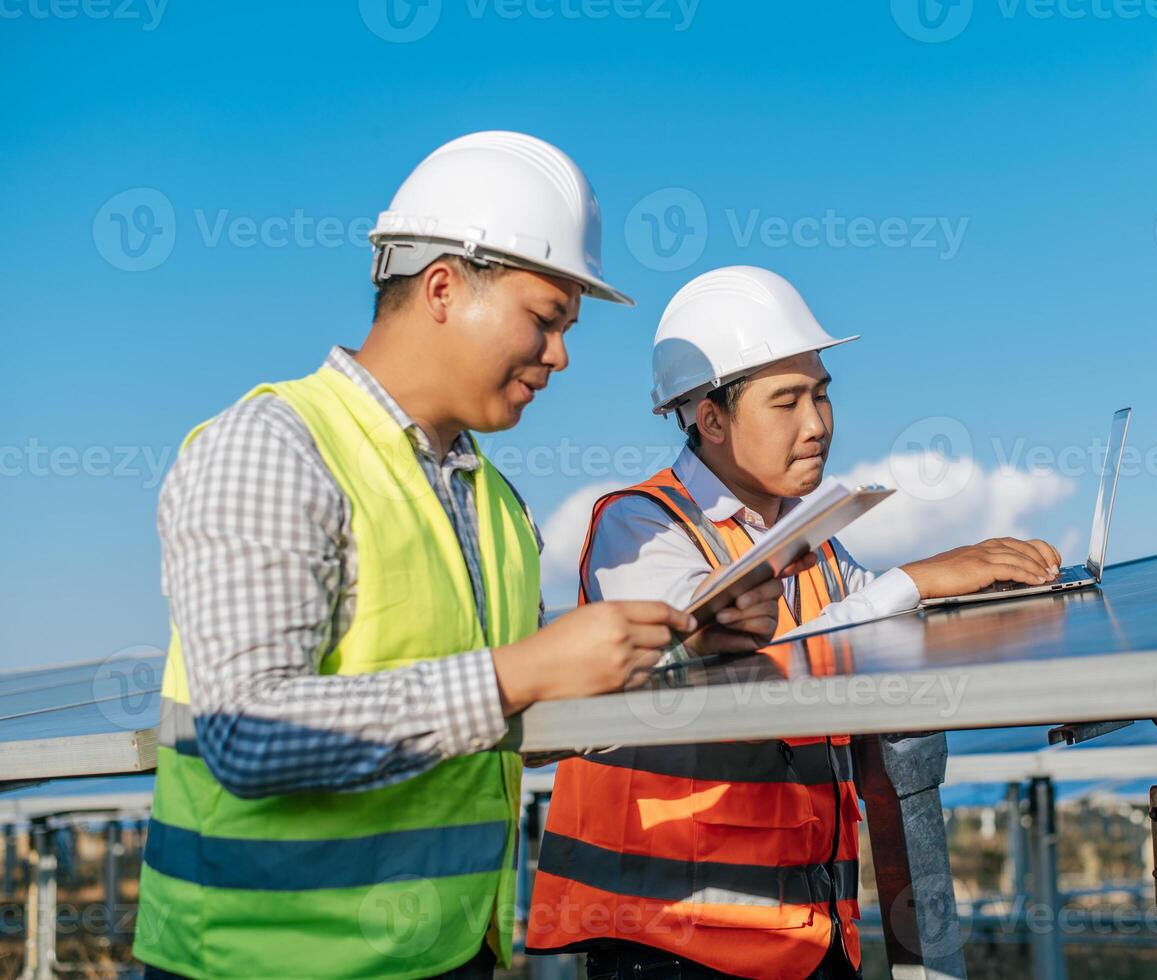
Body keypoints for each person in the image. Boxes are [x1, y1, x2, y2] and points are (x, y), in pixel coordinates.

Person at [131, 134, 788, 980]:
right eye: (544, 319)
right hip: (258, 963)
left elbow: (510, 725)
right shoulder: (274, 448)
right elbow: (249, 736)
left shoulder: (495, 503)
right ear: (443, 287)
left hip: (446, 956)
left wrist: (680, 646)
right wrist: (520, 672)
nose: (560, 355)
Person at [527, 265, 1062, 979]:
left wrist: (978, 592)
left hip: (803, 938)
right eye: (786, 402)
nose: (817, 424)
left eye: (820, 395)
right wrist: (914, 579)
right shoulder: (642, 528)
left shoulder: (812, 538)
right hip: (670, 942)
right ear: (709, 418)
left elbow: (865, 631)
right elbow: (723, 653)